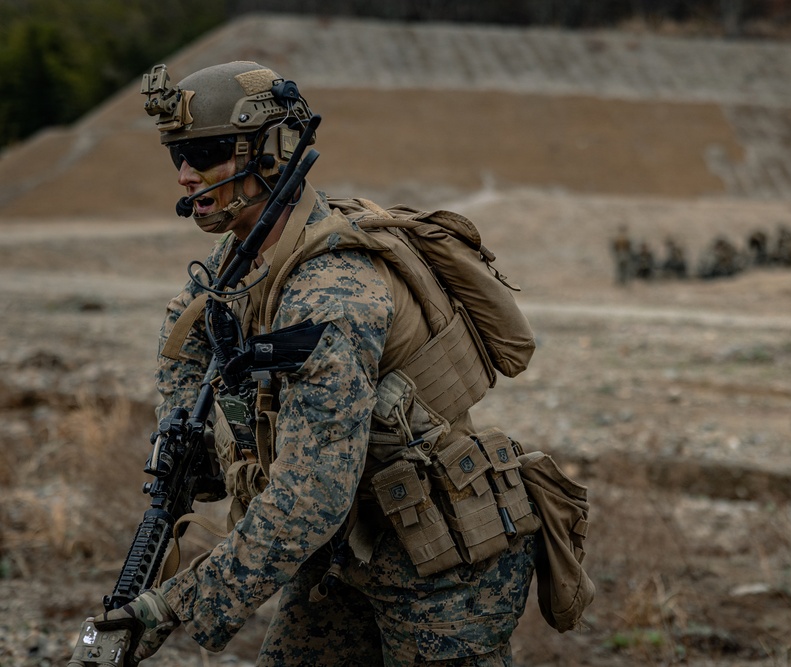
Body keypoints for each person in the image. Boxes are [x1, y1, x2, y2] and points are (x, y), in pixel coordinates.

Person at [73, 61, 542, 665]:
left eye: (207, 152)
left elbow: (314, 490)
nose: (187, 175)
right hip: (339, 555)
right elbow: (184, 356)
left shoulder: (331, 289)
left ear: (271, 152)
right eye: (176, 157)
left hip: (439, 564)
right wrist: (186, 448)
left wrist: (173, 605)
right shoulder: (233, 267)